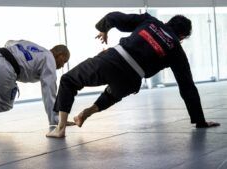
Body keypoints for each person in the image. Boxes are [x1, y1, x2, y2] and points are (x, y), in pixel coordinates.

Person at [46, 12, 220, 138]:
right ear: (182, 37)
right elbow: (187, 86)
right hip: (132, 80)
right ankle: (88, 112)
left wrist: (103, 29)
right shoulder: (177, 50)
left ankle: (60, 128)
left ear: (167, 22)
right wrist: (200, 121)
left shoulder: (151, 21)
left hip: (112, 61)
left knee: (68, 80)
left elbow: (114, 17)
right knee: (113, 93)